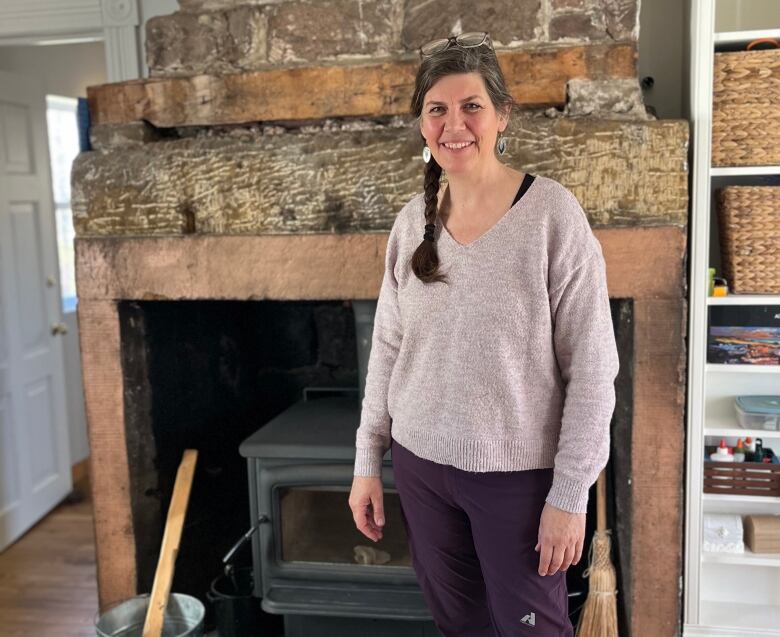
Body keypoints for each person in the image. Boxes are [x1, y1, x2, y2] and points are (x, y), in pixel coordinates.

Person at [348, 31, 620, 637]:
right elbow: (388, 348)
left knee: (533, 629)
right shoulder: (410, 223)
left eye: (471, 106)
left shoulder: (552, 216)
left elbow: (595, 369)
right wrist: (369, 458)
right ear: (421, 124)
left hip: (519, 482)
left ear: (502, 115)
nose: (454, 124)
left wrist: (571, 493)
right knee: (459, 627)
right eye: (437, 109)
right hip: (420, 468)